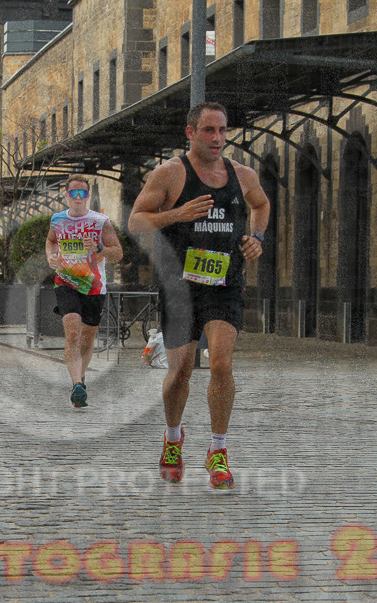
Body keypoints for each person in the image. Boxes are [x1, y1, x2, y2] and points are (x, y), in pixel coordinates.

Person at [128, 101, 270, 490]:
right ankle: (173, 440)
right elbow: (136, 221)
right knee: (180, 371)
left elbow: (261, 204)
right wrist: (177, 214)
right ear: (190, 132)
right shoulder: (170, 174)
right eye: (209, 130)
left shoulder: (242, 175)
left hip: (225, 283)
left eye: (223, 130)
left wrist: (257, 238)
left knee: (221, 365)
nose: (217, 138)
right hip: (180, 287)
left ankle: (218, 450)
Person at [45, 175, 122, 407]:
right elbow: (50, 241)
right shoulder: (58, 220)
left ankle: (81, 376)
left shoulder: (101, 221)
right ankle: (77, 384)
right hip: (66, 282)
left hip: (94, 286)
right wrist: (51, 257)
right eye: (73, 193)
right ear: (66, 195)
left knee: (87, 339)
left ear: (88, 196)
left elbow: (118, 253)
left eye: (82, 193)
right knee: (73, 334)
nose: (78, 197)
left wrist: (99, 247)